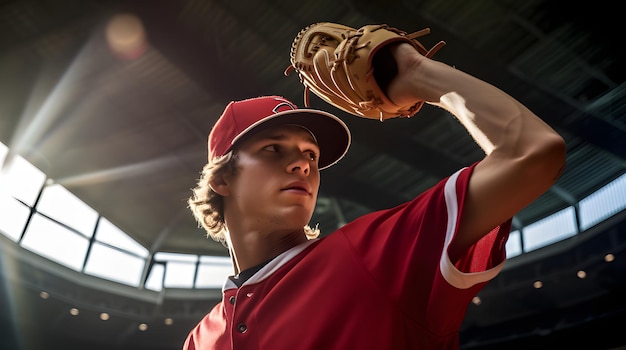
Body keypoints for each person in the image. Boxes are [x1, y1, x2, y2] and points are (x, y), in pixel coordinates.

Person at [183, 40, 566, 349]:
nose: (303, 164)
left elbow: (532, 153)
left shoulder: (375, 252)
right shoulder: (199, 340)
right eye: (273, 149)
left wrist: (417, 74)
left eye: (311, 154)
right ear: (221, 180)